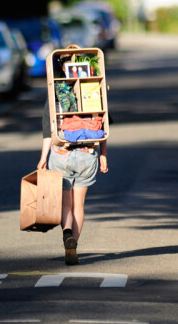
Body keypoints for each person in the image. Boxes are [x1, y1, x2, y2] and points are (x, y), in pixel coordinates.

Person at [37, 55, 108, 265]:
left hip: (61, 153)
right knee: (79, 206)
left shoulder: (55, 94)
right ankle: (73, 245)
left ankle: (67, 234)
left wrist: (43, 158)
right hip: (87, 155)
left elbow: (48, 131)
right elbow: (103, 127)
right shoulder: (94, 90)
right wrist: (103, 154)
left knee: (65, 205)